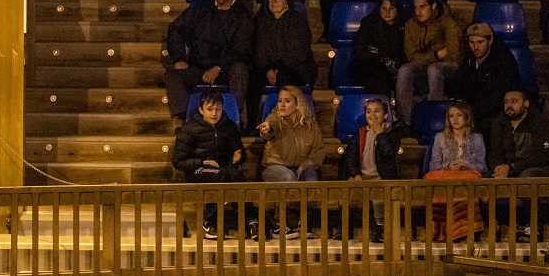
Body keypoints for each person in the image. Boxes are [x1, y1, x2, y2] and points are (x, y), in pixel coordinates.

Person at [164, 0, 252, 120]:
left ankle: (233, 119)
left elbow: (242, 49)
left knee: (240, 69)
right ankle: (188, 120)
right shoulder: (201, 8)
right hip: (199, 68)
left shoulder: (243, 15)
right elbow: (176, 29)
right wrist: (179, 58)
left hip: (226, 71)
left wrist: (218, 67)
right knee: (172, 75)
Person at [255, 85, 326, 239]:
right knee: (288, 178)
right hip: (275, 167)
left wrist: (306, 165)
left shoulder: (310, 125)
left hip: (301, 166)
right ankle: (279, 225)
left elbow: (318, 150)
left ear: (297, 103)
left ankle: (303, 224)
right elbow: (270, 126)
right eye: (280, 101)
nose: (282, 104)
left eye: (287, 101)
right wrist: (266, 129)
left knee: (311, 179)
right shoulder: (275, 119)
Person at [172, 91, 245, 239]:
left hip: (222, 168)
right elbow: (178, 161)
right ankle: (210, 221)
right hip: (197, 170)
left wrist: (239, 155)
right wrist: (203, 162)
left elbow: (239, 152)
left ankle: (250, 220)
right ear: (201, 110)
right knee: (221, 174)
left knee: (236, 175)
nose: (214, 113)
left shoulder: (228, 126)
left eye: (218, 109)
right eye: (210, 109)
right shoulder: (189, 129)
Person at [488, 88, 549, 240]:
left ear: (526, 103)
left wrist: (511, 168)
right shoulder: (498, 123)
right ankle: (495, 226)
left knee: (527, 177)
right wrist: (498, 168)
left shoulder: (540, 123)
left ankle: (532, 226)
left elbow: (543, 155)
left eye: (514, 101)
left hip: (539, 168)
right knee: (485, 177)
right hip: (510, 169)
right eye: (506, 102)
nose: (509, 105)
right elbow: (494, 153)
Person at [339, 95, 408, 242]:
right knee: (344, 192)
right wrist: (356, 175)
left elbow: (388, 153)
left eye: (377, 111)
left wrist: (379, 134)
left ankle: (380, 229)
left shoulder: (392, 133)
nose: (372, 115)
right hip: (362, 176)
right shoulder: (360, 133)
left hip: (381, 176)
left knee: (378, 195)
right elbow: (350, 157)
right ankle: (344, 228)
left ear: (385, 115)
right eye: (369, 111)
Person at [250, 0, 316, 127]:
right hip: (268, 68)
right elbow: (258, 50)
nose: (274, 1)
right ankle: (253, 124)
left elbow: (300, 52)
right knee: (253, 78)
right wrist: (268, 69)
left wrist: (278, 69)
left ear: (287, 2)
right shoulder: (262, 22)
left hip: (296, 68)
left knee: (286, 78)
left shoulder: (298, 21)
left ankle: (286, 123)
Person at [425, 101, 487, 241]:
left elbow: (481, 166)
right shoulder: (440, 138)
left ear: (466, 117)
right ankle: (442, 230)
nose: (455, 119)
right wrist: (448, 167)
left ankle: (463, 230)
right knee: (431, 178)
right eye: (451, 116)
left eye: (459, 115)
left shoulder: (477, 138)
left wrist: (467, 166)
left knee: (470, 178)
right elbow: (433, 166)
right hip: (446, 175)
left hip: (467, 176)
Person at [445, 22, 521, 131]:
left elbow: (499, 95)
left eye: (480, 42)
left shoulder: (504, 60)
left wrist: (471, 112)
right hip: (473, 110)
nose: (475, 47)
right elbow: (458, 82)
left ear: (490, 40)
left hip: (495, 111)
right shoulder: (468, 59)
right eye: (472, 42)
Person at [395, 0, 453, 126]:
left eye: (422, 7)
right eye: (415, 7)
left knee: (434, 69)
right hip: (427, 63)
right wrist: (435, 55)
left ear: (432, 6)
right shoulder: (410, 25)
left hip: (448, 66)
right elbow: (412, 56)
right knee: (404, 70)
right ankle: (406, 121)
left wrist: (434, 58)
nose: (418, 12)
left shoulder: (446, 22)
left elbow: (453, 53)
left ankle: (436, 119)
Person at [350, 0, 405, 96]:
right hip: (366, 67)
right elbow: (360, 49)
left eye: (391, 8)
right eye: (384, 8)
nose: (387, 12)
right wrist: (381, 58)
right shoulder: (369, 24)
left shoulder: (403, 27)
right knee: (378, 74)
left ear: (397, 10)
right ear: (379, 9)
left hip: (391, 68)